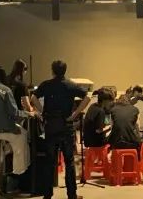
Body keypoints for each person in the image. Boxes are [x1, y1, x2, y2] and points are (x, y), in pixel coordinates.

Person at [30, 60, 90, 199]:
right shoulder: (71, 85)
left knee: (49, 162)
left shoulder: (46, 84)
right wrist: (75, 114)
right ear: (65, 70)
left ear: (52, 71)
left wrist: (43, 111)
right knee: (69, 162)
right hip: (66, 126)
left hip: (51, 126)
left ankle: (47, 194)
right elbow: (87, 97)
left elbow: (33, 97)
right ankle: (72, 194)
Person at [0, 66, 32, 176]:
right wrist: (28, 114)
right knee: (22, 135)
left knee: (1, 138)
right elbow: (14, 113)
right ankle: (18, 172)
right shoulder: (5, 90)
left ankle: (0, 156)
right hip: (1, 128)